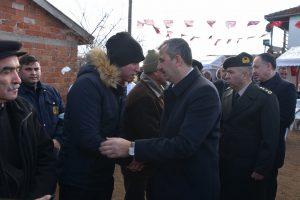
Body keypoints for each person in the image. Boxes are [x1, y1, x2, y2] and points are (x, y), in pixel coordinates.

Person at [100, 38, 221, 200]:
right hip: (168, 184)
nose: (159, 67)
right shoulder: (175, 89)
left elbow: (184, 145)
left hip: (189, 188)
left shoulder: (203, 92)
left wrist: (132, 147)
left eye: (162, 60)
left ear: (177, 60)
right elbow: (164, 136)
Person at [59, 32, 144, 200]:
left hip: (101, 176)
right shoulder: (88, 85)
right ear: (120, 61)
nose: (138, 68)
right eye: (134, 62)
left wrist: (131, 153)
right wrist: (127, 157)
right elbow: (87, 137)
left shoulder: (114, 88)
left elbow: (116, 131)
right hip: (79, 181)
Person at [0, 41, 56, 199]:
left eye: (17, 70)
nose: (17, 79)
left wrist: (38, 194)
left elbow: (45, 155)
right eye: (6, 71)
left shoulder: (25, 110)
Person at [220, 52, 280, 200]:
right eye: (226, 72)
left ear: (245, 74)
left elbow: (270, 137)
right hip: (226, 165)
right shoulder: (226, 94)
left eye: (230, 72)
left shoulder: (265, 98)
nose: (226, 76)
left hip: (249, 168)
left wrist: (261, 168)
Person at [121, 49, 166, 200]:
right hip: (139, 164)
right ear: (155, 71)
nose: (166, 72)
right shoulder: (144, 95)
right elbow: (149, 134)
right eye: (162, 69)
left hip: (143, 160)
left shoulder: (151, 91)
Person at [252, 53, 297, 200]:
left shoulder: (286, 88)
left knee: (265, 191)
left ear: (269, 66)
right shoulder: (255, 87)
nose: (253, 71)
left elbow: (286, 119)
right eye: (253, 67)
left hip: (271, 151)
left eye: (256, 67)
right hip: (251, 150)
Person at [18, 55, 64, 152]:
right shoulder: (15, 95)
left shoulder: (51, 92)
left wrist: (58, 139)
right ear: (19, 71)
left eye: (36, 69)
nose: (33, 73)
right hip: (28, 153)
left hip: (54, 150)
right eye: (28, 69)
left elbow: (63, 117)